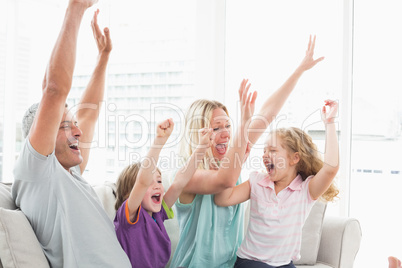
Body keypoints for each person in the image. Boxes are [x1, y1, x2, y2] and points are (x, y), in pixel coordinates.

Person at [170, 35, 325, 268]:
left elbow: (268, 113)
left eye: (228, 126)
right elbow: (224, 180)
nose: (225, 134)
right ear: (199, 133)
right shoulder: (188, 173)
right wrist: (243, 124)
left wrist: (299, 70)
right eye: (216, 128)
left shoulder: (234, 152)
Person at [11, 2, 131, 267]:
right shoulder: (37, 172)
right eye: (66, 125)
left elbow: (89, 113)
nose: (78, 131)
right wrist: (76, 8)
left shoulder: (70, 174)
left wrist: (103, 58)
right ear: (41, 134)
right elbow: (54, 90)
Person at [214, 100, 340, 268]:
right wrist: (236, 163)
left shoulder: (306, 190)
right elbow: (222, 199)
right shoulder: (257, 182)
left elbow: (331, 168)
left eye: (272, 150)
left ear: (295, 158)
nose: (265, 155)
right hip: (250, 262)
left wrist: (329, 123)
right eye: (264, 150)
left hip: (284, 264)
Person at [113, 119, 213, 268]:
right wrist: (159, 141)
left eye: (159, 181)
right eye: (150, 183)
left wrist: (202, 148)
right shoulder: (129, 217)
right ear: (129, 193)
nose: (157, 187)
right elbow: (142, 181)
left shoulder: (158, 215)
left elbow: (180, 182)